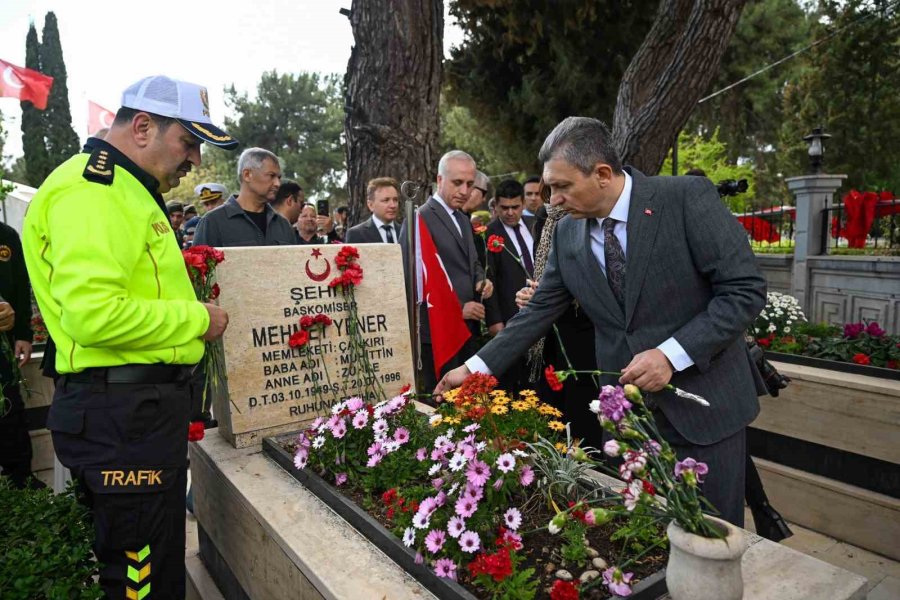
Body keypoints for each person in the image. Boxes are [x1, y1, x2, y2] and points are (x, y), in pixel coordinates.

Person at [436, 117, 767, 526]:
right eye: (549, 188)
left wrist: (670, 355)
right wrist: (473, 369)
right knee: (642, 538)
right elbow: (538, 312)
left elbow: (744, 291)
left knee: (708, 541)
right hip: (627, 421)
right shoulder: (567, 234)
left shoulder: (684, 199)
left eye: (562, 186)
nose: (554, 201)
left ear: (603, 174)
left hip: (704, 413)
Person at [22, 74, 235, 598]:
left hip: (136, 412)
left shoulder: (125, 188)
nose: (195, 161)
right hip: (122, 416)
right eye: (188, 142)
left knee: (154, 562)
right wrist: (197, 320)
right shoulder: (94, 191)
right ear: (142, 127)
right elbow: (95, 315)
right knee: (140, 576)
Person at [400, 150, 494, 393]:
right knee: (441, 403)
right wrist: (459, 309)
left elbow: (472, 263)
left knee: (466, 403)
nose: (464, 191)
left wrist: (481, 280)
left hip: (467, 330)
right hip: (437, 333)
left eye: (470, 184)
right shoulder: (420, 218)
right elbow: (414, 281)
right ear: (439, 180)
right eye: (457, 182)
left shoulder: (462, 218)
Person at [483, 179, 534, 391]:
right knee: (513, 378)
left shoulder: (534, 225)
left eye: (515, 207)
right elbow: (489, 278)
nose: (510, 213)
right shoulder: (489, 233)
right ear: (495, 206)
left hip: (540, 310)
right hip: (510, 315)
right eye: (504, 208)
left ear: (523, 204)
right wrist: (495, 321)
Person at [193, 147, 296, 247]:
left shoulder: (283, 225)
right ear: (247, 175)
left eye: (279, 178)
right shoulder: (213, 222)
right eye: (271, 175)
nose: (277, 183)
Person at [0, 222, 35, 489]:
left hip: (4, 346)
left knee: (11, 409)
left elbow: (21, 285)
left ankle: (21, 482)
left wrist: (23, 332)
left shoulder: (6, 235)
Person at [344, 177, 402, 243]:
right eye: (386, 200)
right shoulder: (356, 234)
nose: (393, 205)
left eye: (395, 200)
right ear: (370, 205)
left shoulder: (406, 232)